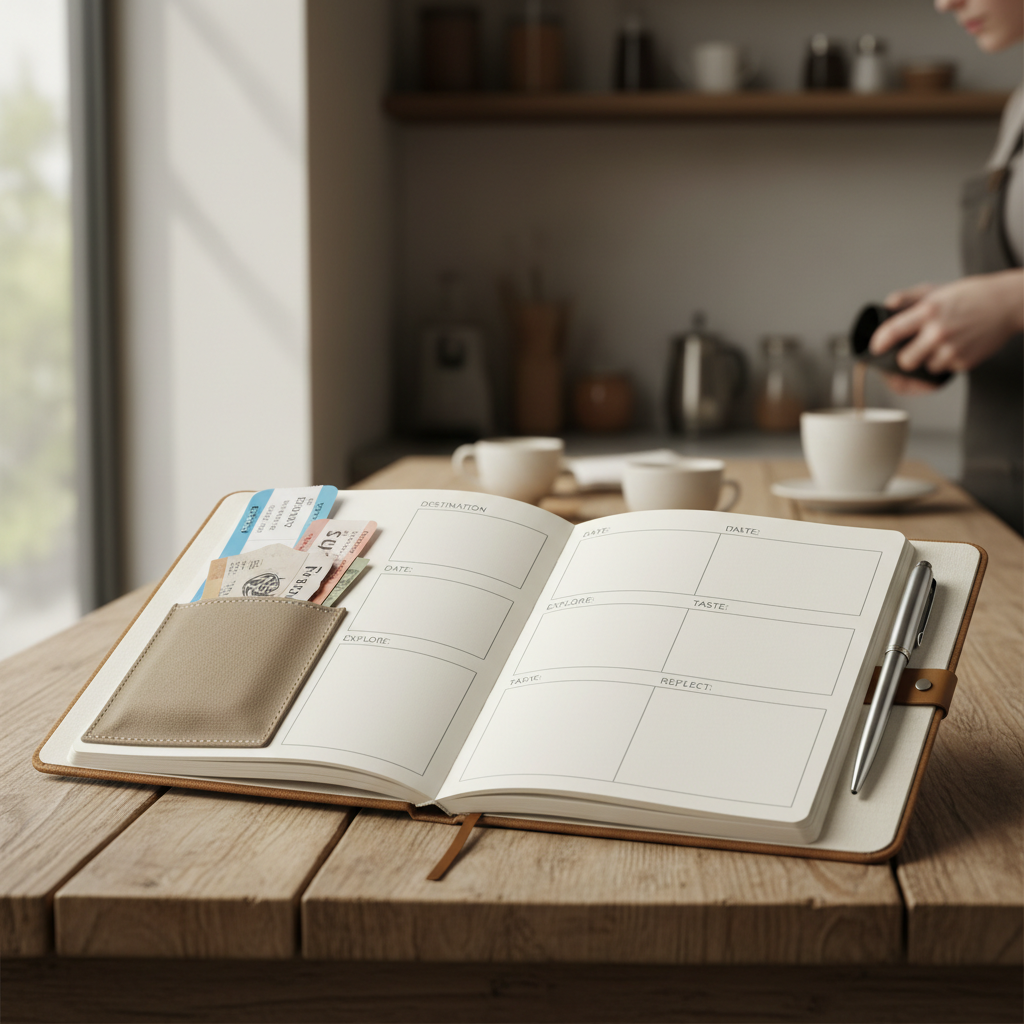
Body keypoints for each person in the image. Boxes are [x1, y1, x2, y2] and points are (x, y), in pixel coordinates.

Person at [869, 0, 1024, 533]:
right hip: (1003, 488)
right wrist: (950, 320)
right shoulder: (1019, 107)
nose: (945, 3)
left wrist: (1009, 302)